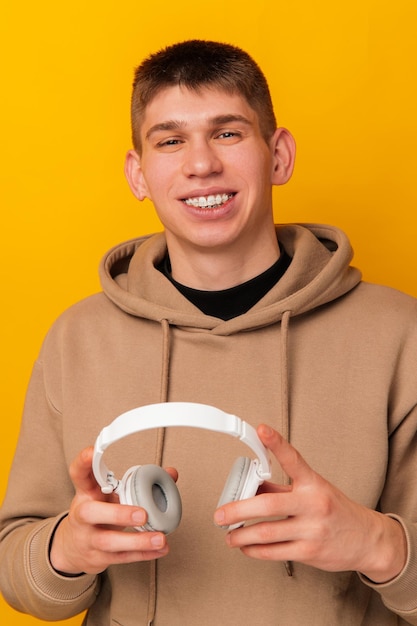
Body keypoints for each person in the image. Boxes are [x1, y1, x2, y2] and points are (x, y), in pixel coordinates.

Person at [0, 39, 416, 626]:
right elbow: (20, 575)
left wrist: (379, 544)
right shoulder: (77, 337)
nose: (201, 165)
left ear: (279, 156)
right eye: (170, 140)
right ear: (138, 173)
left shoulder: (400, 333)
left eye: (227, 133)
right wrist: (66, 549)